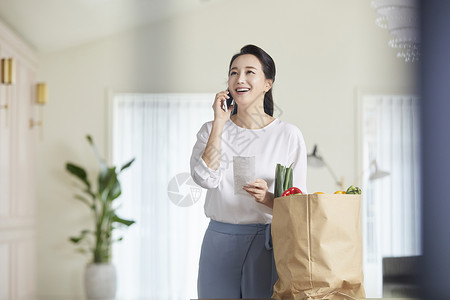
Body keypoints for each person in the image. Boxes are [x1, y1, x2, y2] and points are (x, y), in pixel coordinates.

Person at [190, 44, 307, 299]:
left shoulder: (288, 135)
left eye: (249, 72)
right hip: (218, 242)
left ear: (267, 83)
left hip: (266, 245)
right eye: (233, 72)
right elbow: (204, 178)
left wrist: (267, 198)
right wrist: (219, 123)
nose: (239, 79)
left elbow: (299, 207)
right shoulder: (210, 129)